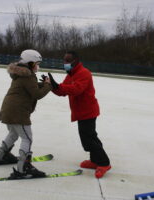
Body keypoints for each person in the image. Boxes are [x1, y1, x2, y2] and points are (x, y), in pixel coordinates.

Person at [0, 49, 52, 179]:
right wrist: (48, 86)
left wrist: (43, 83)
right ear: (30, 63)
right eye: (37, 63)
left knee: (13, 133)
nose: (38, 66)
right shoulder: (28, 76)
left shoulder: (21, 74)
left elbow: (31, 86)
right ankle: (23, 168)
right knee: (27, 138)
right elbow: (37, 94)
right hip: (18, 112)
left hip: (8, 110)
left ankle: (2, 156)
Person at [48, 51, 111, 179]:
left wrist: (58, 86)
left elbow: (77, 89)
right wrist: (52, 86)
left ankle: (104, 163)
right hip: (80, 111)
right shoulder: (71, 74)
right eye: (64, 60)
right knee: (87, 137)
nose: (65, 63)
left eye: (67, 60)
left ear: (76, 60)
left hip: (88, 111)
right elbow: (63, 90)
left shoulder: (84, 73)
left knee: (90, 138)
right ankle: (94, 161)